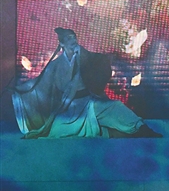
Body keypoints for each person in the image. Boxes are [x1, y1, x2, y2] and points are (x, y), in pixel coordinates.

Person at [11, 27, 160, 138]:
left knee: (116, 107)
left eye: (73, 38)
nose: (72, 41)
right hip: (69, 108)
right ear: (62, 44)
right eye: (68, 39)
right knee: (58, 133)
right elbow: (39, 83)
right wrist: (20, 91)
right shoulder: (56, 65)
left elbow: (100, 63)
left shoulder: (86, 56)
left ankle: (142, 129)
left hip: (90, 101)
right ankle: (109, 132)